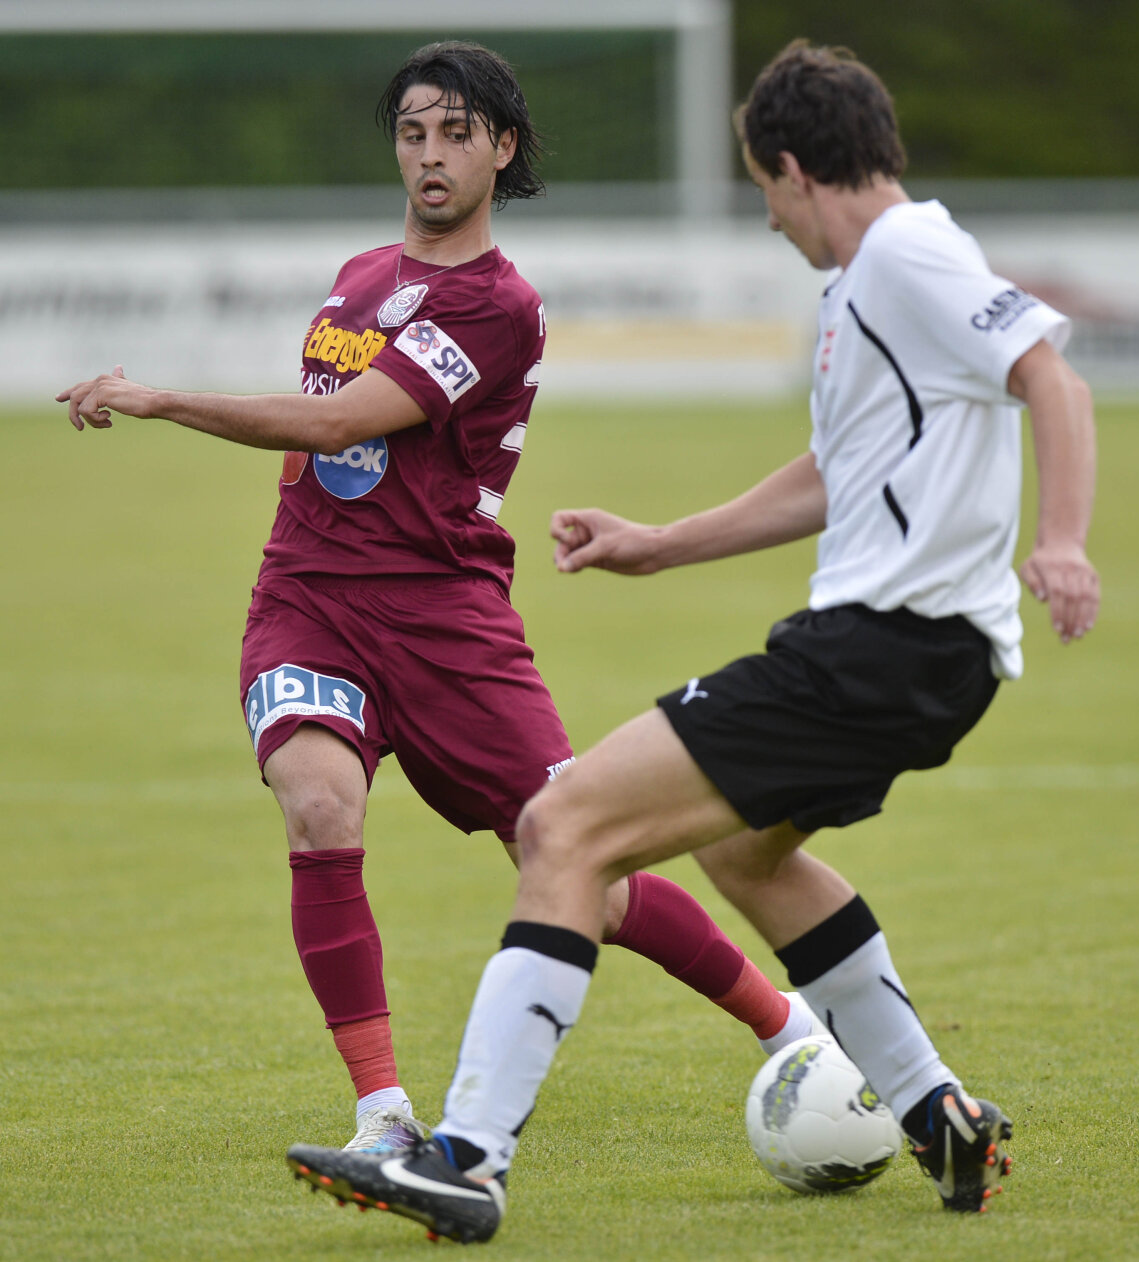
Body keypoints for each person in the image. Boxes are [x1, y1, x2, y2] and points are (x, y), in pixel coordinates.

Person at [283, 37, 1101, 1242]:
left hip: (874, 645)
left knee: (566, 828)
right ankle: (940, 1112)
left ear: (791, 166)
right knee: (749, 854)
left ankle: (464, 1156)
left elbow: (1054, 380)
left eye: (763, 193)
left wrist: (1066, 540)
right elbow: (838, 471)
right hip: (934, 657)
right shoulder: (869, 286)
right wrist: (661, 542)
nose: (769, 222)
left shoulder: (905, 255)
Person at [56, 41, 817, 1158]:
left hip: (447, 622)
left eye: (456, 133)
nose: (429, 154)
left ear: (502, 149)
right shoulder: (362, 274)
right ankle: (382, 1114)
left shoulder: (498, 305)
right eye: (412, 132)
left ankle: (790, 1026)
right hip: (310, 597)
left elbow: (335, 423)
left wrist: (162, 393)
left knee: (584, 864)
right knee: (319, 803)